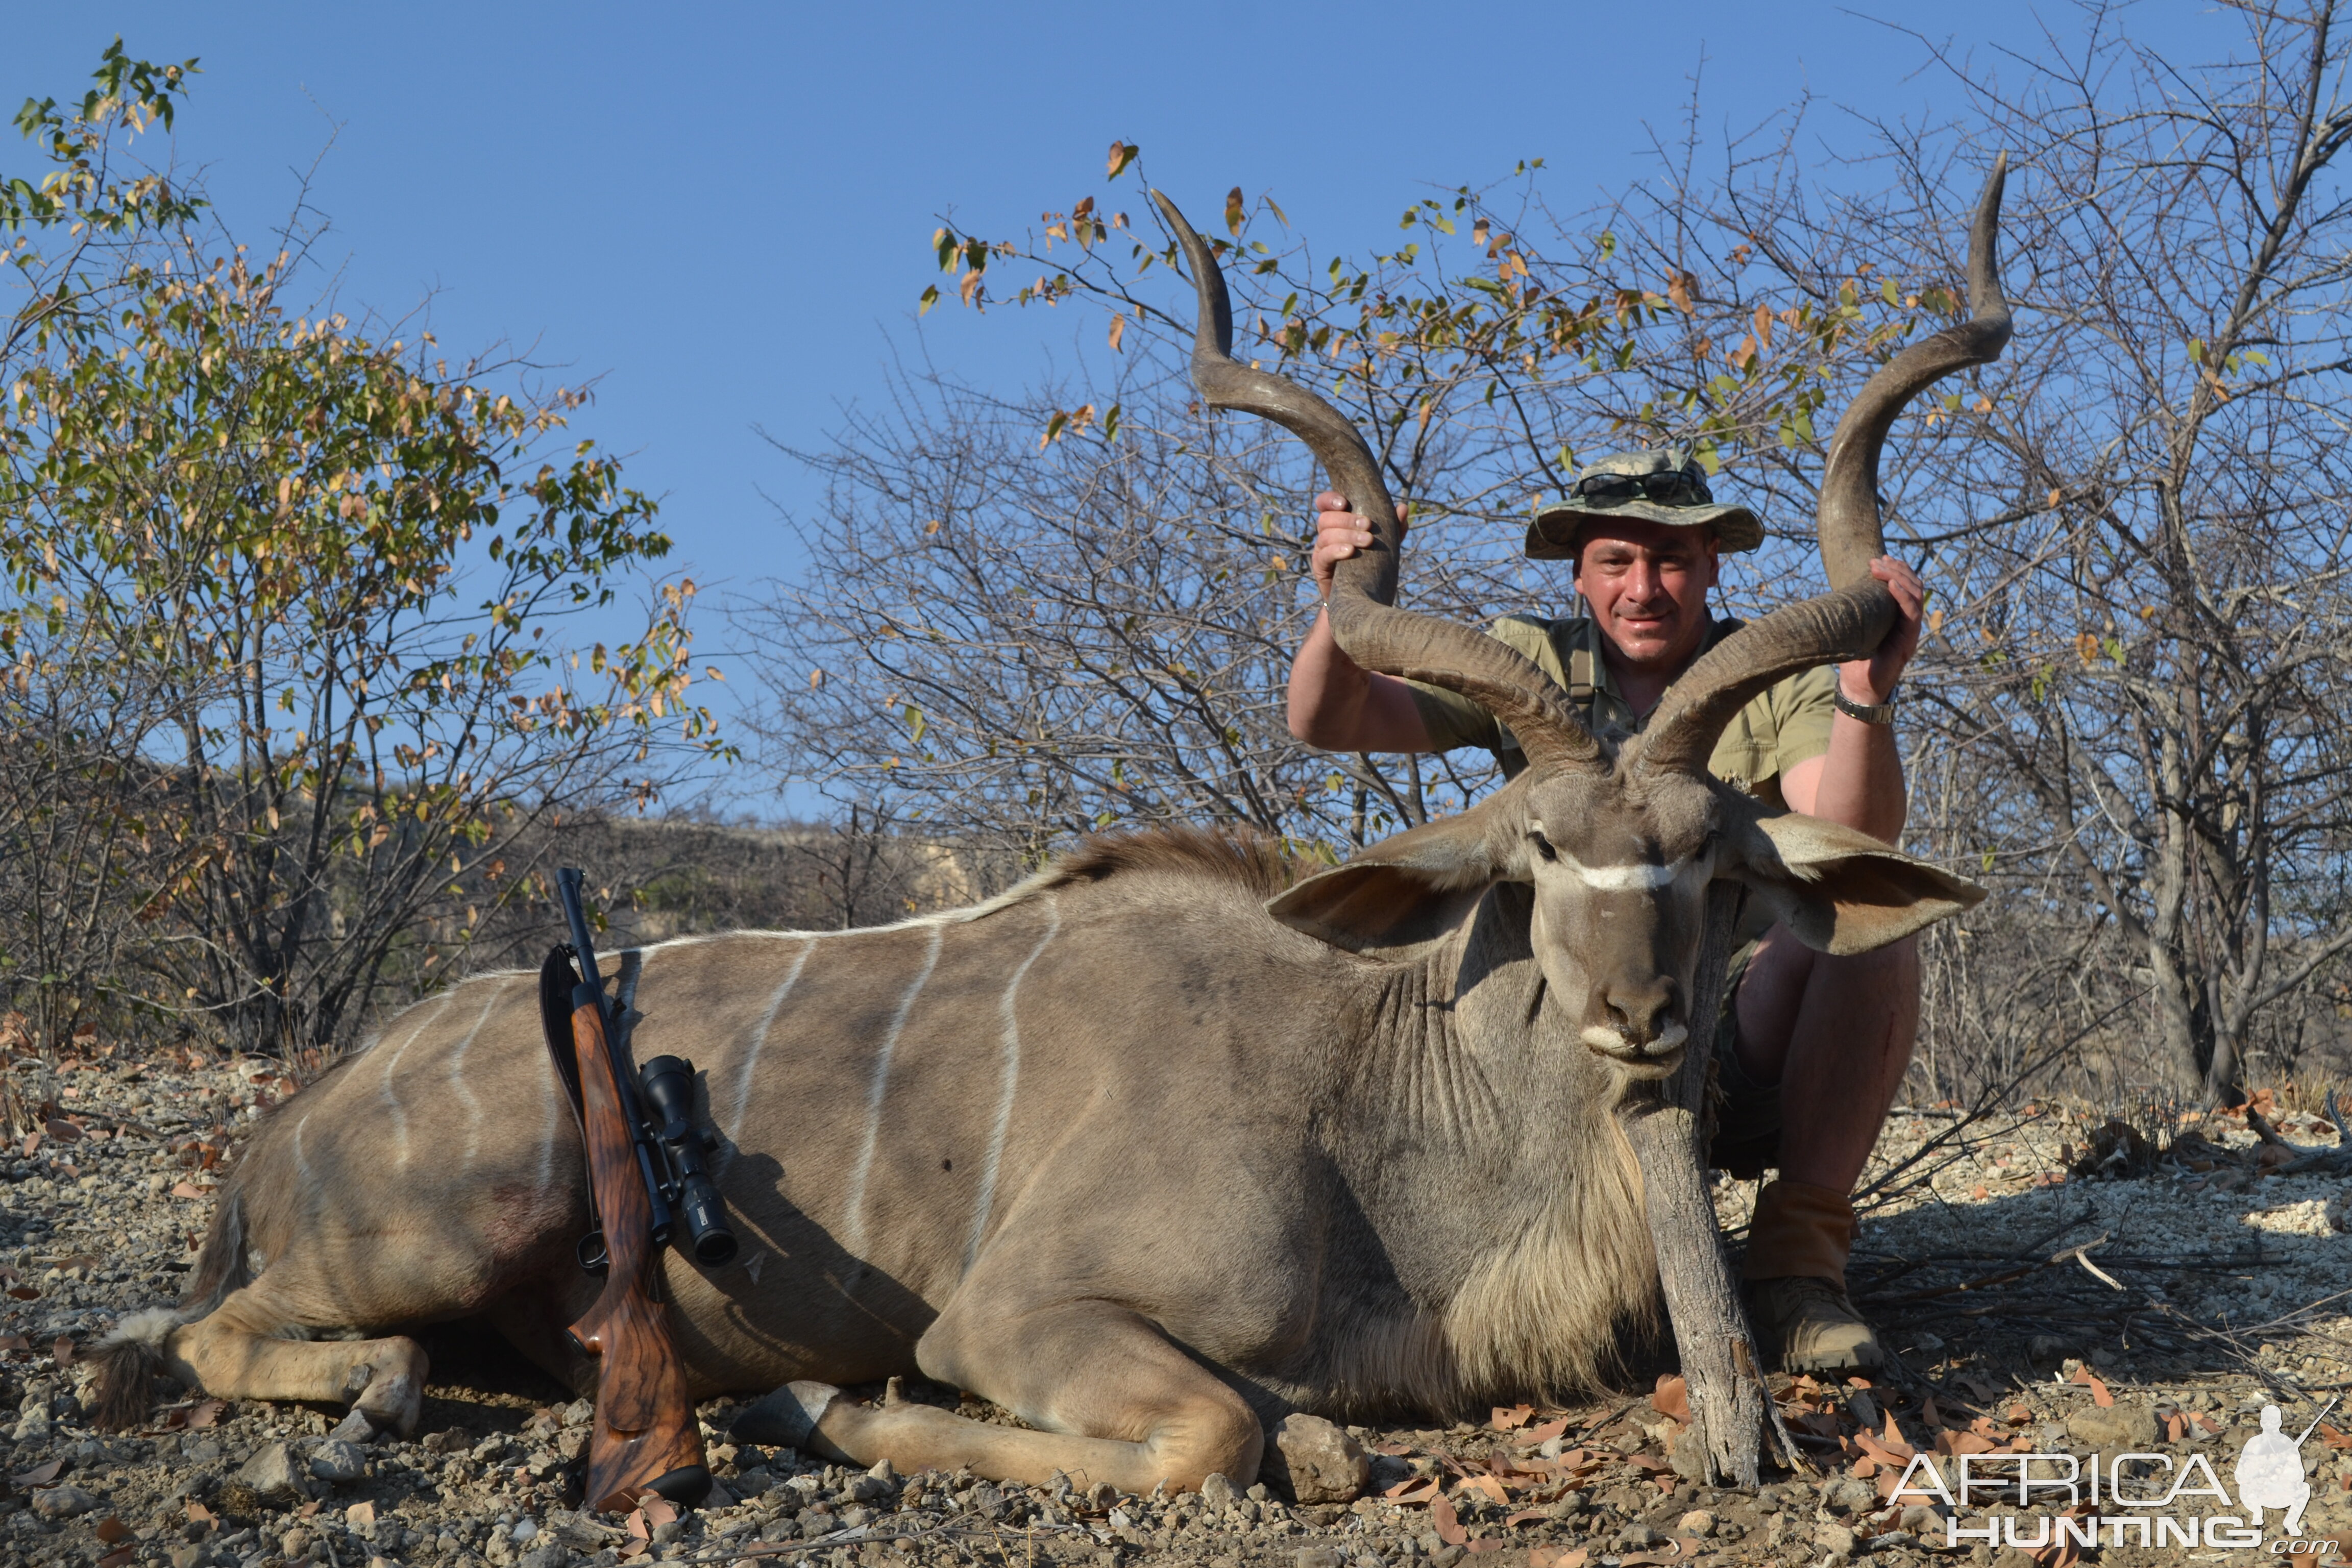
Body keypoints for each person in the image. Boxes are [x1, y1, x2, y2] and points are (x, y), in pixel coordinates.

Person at [1286, 446, 1925, 1375]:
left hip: (1721, 1038)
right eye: (1616, 561)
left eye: (1670, 559)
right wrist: (1336, 603)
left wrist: (1864, 701)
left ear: (1712, 562)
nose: (1644, 587)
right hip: (1545, 1061)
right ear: (1578, 571)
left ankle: (1795, 1275)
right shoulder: (1528, 661)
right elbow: (1329, 720)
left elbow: (1850, 832)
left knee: (1866, 937)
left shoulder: (1772, 677)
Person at [2235, 1404, 2314, 1537]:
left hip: (2281, 1490)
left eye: (2274, 1421)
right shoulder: (2253, 1443)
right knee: (2245, 1488)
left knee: (2305, 1488)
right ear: (2261, 1423)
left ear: (2280, 1423)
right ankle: (2257, 1513)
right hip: (2258, 1492)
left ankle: (2291, 1522)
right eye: (2266, 1421)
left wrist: (2284, 1471)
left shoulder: (2287, 1443)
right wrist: (2260, 1471)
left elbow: (2299, 1473)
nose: (2270, 1425)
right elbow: (2241, 1472)